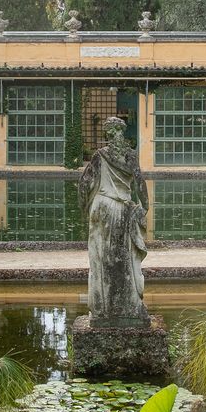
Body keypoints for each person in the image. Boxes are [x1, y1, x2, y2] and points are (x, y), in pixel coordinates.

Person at [78, 117, 150, 328]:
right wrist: (144, 207)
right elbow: (139, 182)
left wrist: (86, 209)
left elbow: (84, 186)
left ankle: (103, 310)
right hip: (121, 209)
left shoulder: (99, 156)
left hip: (102, 208)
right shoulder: (129, 156)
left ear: (107, 135)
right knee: (123, 259)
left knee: (102, 259)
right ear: (121, 133)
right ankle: (128, 307)